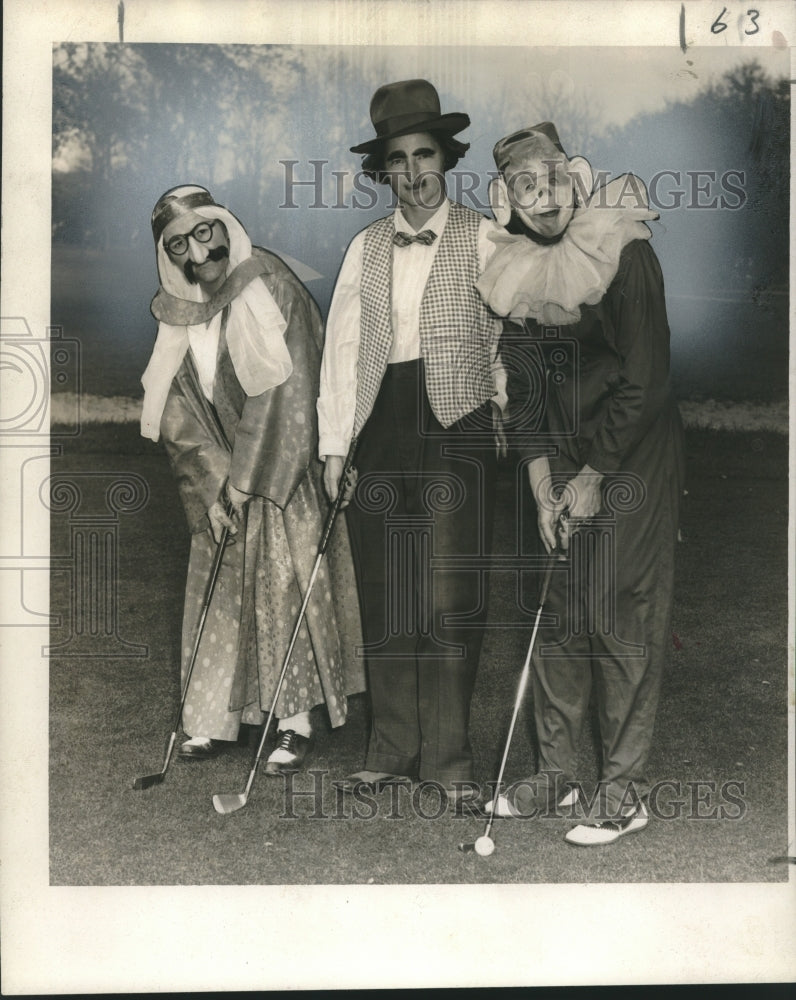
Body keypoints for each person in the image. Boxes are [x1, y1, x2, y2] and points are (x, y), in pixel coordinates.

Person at [478, 124, 685, 845]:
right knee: (560, 601)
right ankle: (558, 772)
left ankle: (623, 792)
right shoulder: (513, 267)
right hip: (560, 455)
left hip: (631, 457)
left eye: (551, 180)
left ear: (575, 178)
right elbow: (525, 389)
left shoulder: (624, 251)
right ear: (508, 197)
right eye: (524, 187)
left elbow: (645, 378)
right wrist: (542, 482)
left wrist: (595, 474)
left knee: (618, 609)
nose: (542, 200)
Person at [318, 79, 505, 807]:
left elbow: (505, 342)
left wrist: (498, 416)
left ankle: (450, 763)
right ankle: (390, 749)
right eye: (397, 159)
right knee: (390, 591)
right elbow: (342, 351)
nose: (413, 171)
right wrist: (337, 450)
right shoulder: (364, 247)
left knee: (449, 596)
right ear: (384, 171)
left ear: (446, 158)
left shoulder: (487, 237)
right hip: (380, 428)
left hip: (457, 426)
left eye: (424, 153)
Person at [141, 184, 364, 773]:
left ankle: (294, 722)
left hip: (278, 472)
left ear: (225, 227)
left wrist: (246, 480)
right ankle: (213, 720)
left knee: (284, 591)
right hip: (223, 481)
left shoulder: (273, 286)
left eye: (204, 233)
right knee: (219, 593)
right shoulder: (178, 309)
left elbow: (289, 392)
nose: (197, 253)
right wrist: (217, 485)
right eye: (179, 244)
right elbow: (177, 409)